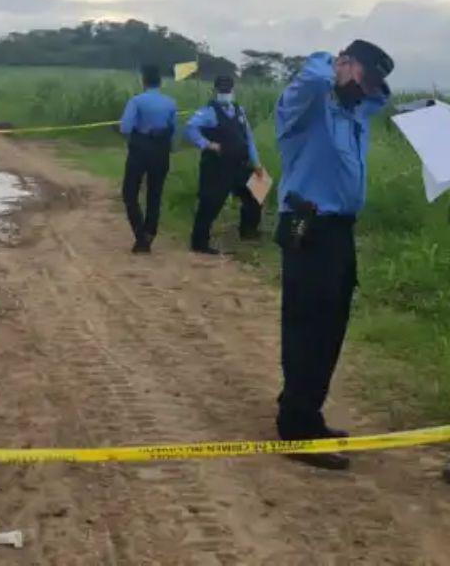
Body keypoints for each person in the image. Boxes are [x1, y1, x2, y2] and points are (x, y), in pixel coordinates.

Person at [274, 39, 394, 471]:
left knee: (330, 328)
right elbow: (310, 77)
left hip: (339, 232)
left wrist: (363, 82)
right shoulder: (308, 108)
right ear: (343, 64)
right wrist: (335, 67)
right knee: (306, 326)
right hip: (309, 226)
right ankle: (295, 428)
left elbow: (379, 98)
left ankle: (309, 412)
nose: (370, 88)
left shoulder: (355, 113)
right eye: (366, 75)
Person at [185, 75, 265, 255]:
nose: (225, 93)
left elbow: (248, 137)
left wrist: (256, 162)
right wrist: (207, 144)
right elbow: (190, 128)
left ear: (233, 90)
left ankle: (248, 231)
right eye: (222, 90)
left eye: (228, 90)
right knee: (210, 202)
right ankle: (199, 242)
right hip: (217, 166)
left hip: (241, 163)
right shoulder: (208, 111)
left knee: (258, 191)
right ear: (215, 91)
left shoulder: (239, 111)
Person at [119, 65, 178, 253]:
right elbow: (173, 129)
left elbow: (125, 128)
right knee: (155, 193)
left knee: (130, 193)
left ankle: (140, 234)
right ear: (160, 83)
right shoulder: (171, 103)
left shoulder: (136, 101)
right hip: (161, 150)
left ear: (143, 81)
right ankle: (150, 232)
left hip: (140, 149)